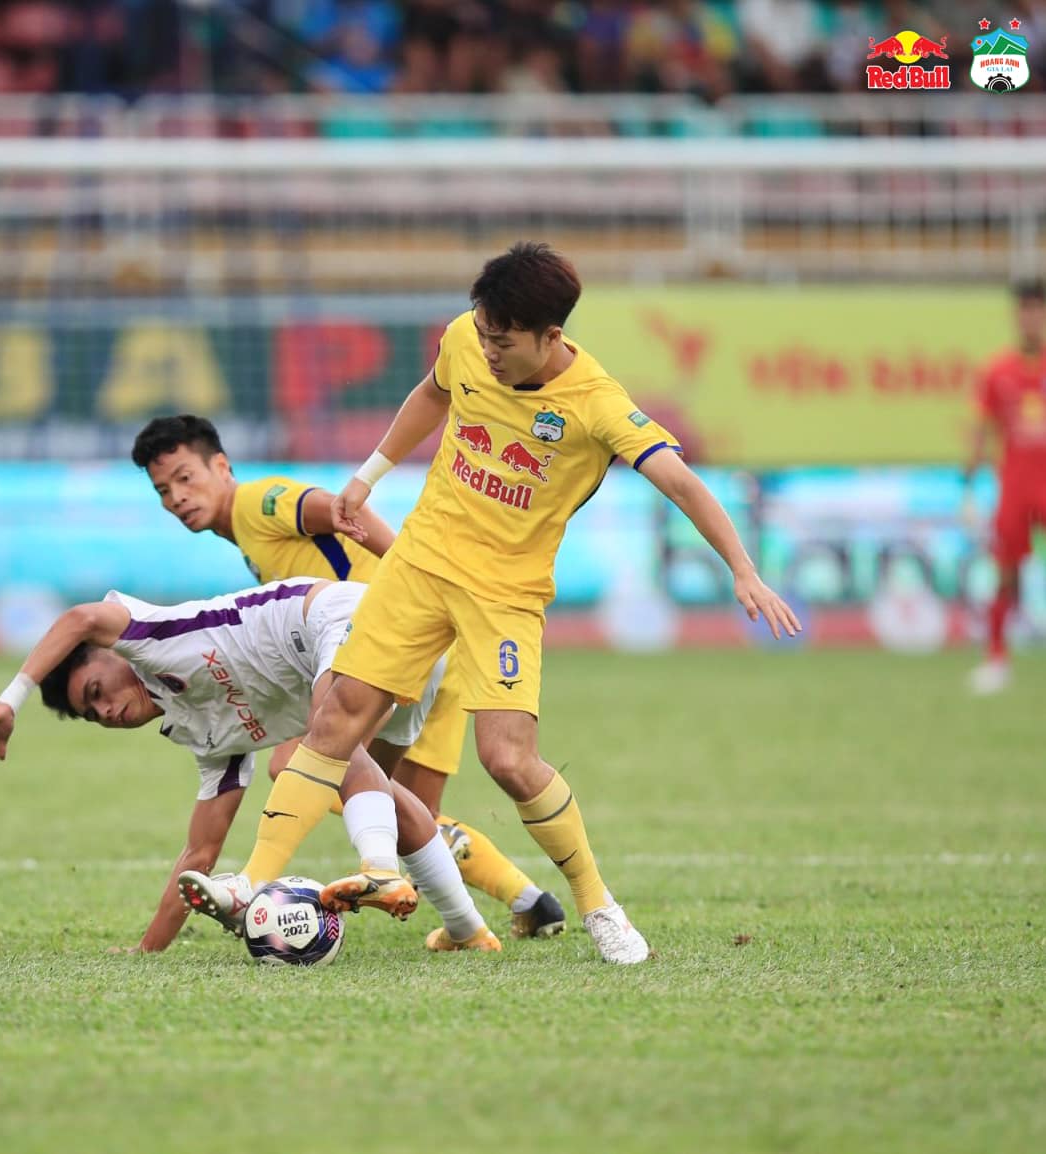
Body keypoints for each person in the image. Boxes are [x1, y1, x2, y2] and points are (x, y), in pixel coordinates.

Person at [275, 241, 802, 964]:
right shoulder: (466, 340)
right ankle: (252, 884)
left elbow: (678, 480)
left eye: (504, 341)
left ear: (551, 336)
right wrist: (368, 476)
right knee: (336, 716)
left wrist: (742, 568)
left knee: (507, 760)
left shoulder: (595, 405)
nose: (487, 351)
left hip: (505, 591)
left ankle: (596, 904)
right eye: (482, 333)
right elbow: (433, 391)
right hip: (421, 561)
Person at [129, 414, 565, 939]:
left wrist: (413, 581)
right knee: (410, 808)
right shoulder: (244, 534)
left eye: (184, 477)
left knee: (303, 760)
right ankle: (526, 900)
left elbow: (338, 509)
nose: (176, 497)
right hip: (432, 650)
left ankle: (308, 879)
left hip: (386, 644)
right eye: (162, 490)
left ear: (221, 466)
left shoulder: (258, 502)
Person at [0, 577, 505, 954]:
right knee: (373, 788)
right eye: (94, 712)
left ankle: (284, 881)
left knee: (306, 755)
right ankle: (468, 931)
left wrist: (11, 700)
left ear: (114, 654)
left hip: (347, 621)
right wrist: (147, 950)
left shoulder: (154, 638)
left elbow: (82, 617)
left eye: (98, 689)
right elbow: (198, 854)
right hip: (410, 668)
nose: (106, 709)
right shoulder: (204, 733)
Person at [966, 279, 1046, 696]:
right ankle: (997, 658)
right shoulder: (999, 371)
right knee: (1006, 572)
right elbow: (981, 429)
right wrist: (968, 486)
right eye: (1025, 311)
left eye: (1038, 311)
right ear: (1017, 317)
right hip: (1016, 484)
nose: (1031, 319)